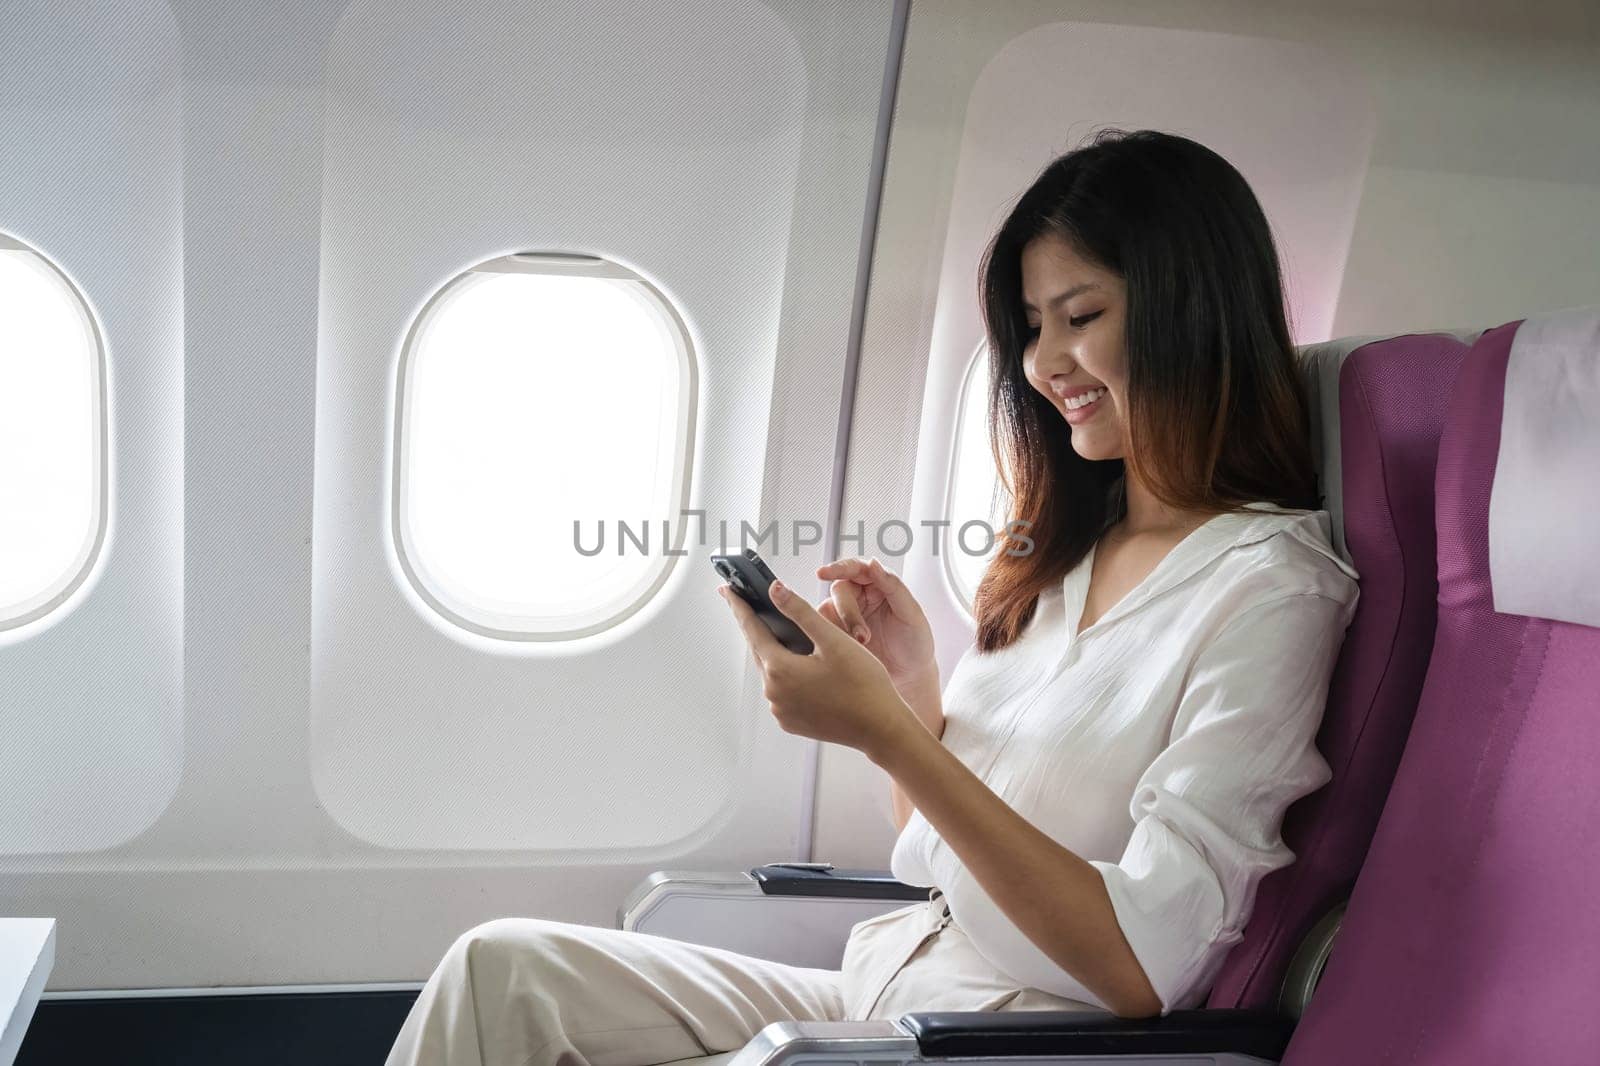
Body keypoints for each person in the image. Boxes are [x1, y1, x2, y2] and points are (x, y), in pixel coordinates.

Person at [383, 127, 1359, 1066]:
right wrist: (910, 694)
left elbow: (1142, 966)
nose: (1042, 363)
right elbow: (935, 841)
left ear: (1192, 308)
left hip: (1015, 1030)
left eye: (1081, 315)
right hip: (892, 975)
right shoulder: (1068, 552)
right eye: (1029, 328)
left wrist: (882, 734)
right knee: (501, 969)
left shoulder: (1271, 589)